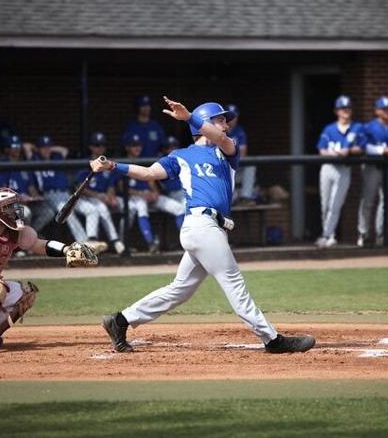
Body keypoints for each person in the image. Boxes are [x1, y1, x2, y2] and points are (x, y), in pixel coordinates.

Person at [97, 97, 315, 354]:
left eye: (225, 120)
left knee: (179, 291)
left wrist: (190, 117)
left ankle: (119, 321)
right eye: (220, 119)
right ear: (204, 123)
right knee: (233, 282)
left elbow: (220, 138)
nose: (225, 125)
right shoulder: (181, 155)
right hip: (200, 225)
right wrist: (112, 165)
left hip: (208, 228)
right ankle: (273, 340)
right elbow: (148, 174)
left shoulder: (226, 149)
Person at [0, 187, 101, 354]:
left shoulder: (13, 232)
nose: (15, 210)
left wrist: (66, 250)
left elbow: (39, 245)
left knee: (24, 294)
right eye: (9, 207)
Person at [121, 133, 185, 253]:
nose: (137, 148)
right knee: (141, 206)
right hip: (133, 199)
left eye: (139, 145)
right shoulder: (122, 163)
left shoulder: (144, 160)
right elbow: (121, 188)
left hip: (148, 196)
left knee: (179, 208)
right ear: (127, 147)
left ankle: (187, 242)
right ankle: (150, 242)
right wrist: (141, 194)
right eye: (134, 145)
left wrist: (154, 193)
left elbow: (151, 181)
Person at [316, 95, 362, 248]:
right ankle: (327, 234)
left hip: (343, 169)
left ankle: (328, 235)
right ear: (337, 111)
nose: (346, 111)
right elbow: (321, 149)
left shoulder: (356, 127)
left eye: (348, 108)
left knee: (335, 204)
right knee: (325, 204)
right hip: (328, 167)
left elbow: (361, 147)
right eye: (343, 108)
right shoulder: (329, 128)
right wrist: (332, 153)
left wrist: (347, 150)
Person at [70, 132, 126, 255]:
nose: (100, 148)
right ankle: (100, 241)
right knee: (97, 208)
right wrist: (99, 196)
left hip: (101, 198)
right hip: (82, 199)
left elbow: (111, 185)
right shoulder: (85, 164)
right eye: (97, 145)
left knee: (106, 207)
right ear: (91, 147)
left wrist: (111, 197)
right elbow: (79, 188)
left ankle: (115, 241)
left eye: (102, 145)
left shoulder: (107, 163)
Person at [358, 96, 388, 247]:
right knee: (368, 201)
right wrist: (384, 150)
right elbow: (365, 147)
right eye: (384, 109)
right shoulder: (369, 127)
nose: (387, 111)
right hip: (372, 166)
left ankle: (382, 233)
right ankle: (363, 233)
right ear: (377, 111)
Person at [28, 135, 87, 242]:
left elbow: (64, 150)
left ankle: (94, 238)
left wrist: (50, 148)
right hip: (50, 195)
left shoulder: (56, 157)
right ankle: (84, 241)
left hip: (66, 194)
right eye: (43, 147)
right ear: (38, 148)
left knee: (90, 209)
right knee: (67, 212)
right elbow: (26, 146)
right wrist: (37, 149)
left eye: (48, 147)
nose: (46, 150)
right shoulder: (35, 159)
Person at [2, 135, 42, 227]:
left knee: (48, 211)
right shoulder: (3, 165)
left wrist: (35, 197)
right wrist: (18, 198)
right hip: (10, 204)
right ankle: (23, 236)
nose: (17, 149)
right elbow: (2, 190)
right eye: (13, 147)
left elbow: (31, 187)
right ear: (7, 149)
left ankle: (33, 233)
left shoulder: (23, 165)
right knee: (26, 212)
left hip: (27, 202)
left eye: (18, 147)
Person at [226, 104, 258, 205]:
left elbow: (243, 153)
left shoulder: (239, 131)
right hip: (223, 172)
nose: (233, 119)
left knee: (250, 165)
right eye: (231, 116)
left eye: (235, 117)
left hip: (236, 169)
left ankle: (246, 197)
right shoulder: (218, 130)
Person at [160, 136, 185, 204]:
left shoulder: (183, 159)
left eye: (174, 147)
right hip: (170, 193)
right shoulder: (161, 162)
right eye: (169, 148)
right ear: (164, 149)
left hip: (183, 191)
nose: (173, 150)